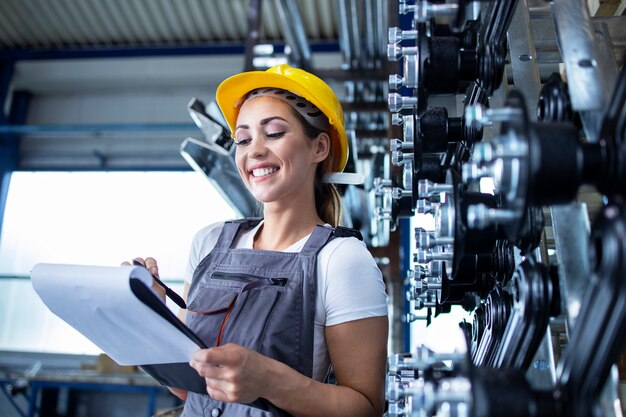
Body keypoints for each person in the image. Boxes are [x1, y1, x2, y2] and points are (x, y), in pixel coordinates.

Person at [130, 64, 388, 417]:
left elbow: (366, 409)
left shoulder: (342, 259)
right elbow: (192, 389)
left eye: (275, 133)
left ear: (319, 147)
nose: (255, 151)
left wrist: (271, 381)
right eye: (244, 139)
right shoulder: (208, 243)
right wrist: (148, 318)